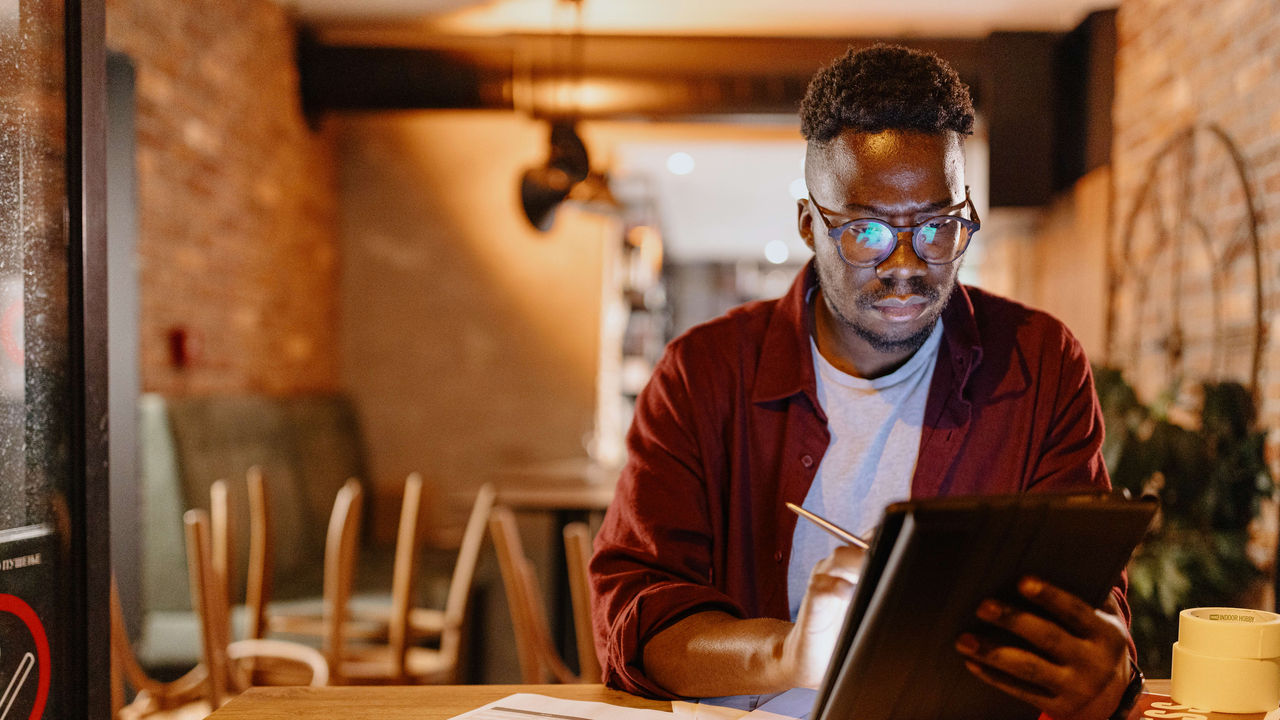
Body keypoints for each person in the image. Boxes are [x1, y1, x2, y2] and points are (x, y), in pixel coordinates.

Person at [589, 44, 1142, 720]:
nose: (906, 264)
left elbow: (1087, 607)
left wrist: (1104, 669)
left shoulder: (1038, 363)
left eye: (938, 226)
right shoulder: (702, 375)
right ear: (808, 225)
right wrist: (789, 654)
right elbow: (636, 618)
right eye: (868, 231)